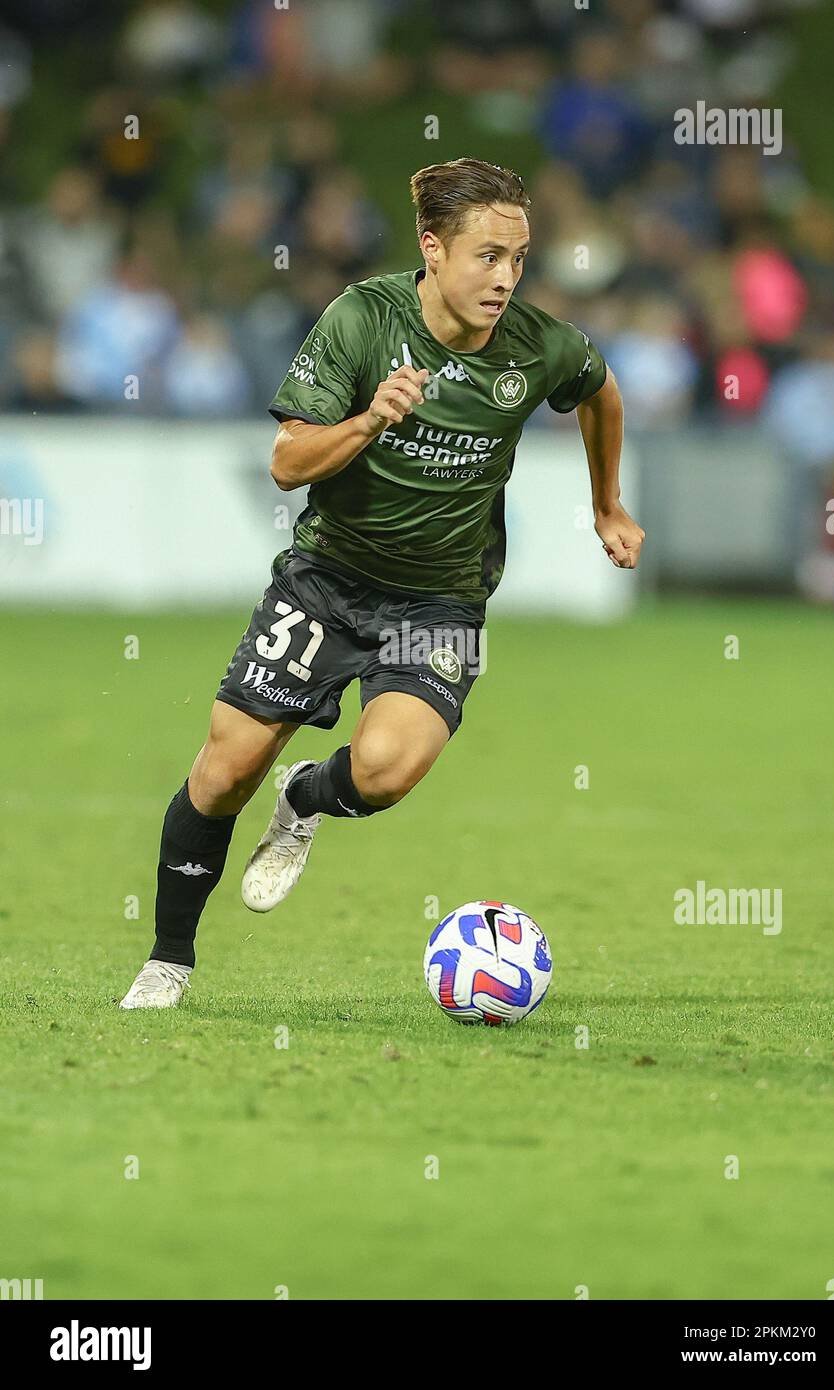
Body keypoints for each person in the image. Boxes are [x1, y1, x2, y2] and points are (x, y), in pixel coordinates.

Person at [119, 157, 644, 1009]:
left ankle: (305, 797)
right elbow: (288, 464)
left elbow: (601, 390)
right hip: (325, 584)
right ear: (433, 249)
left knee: (388, 770)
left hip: (439, 603)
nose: (506, 278)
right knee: (222, 774)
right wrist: (371, 418)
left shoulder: (539, 347)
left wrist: (607, 505)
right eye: (487, 256)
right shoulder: (362, 321)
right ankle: (168, 959)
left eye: (518, 258)